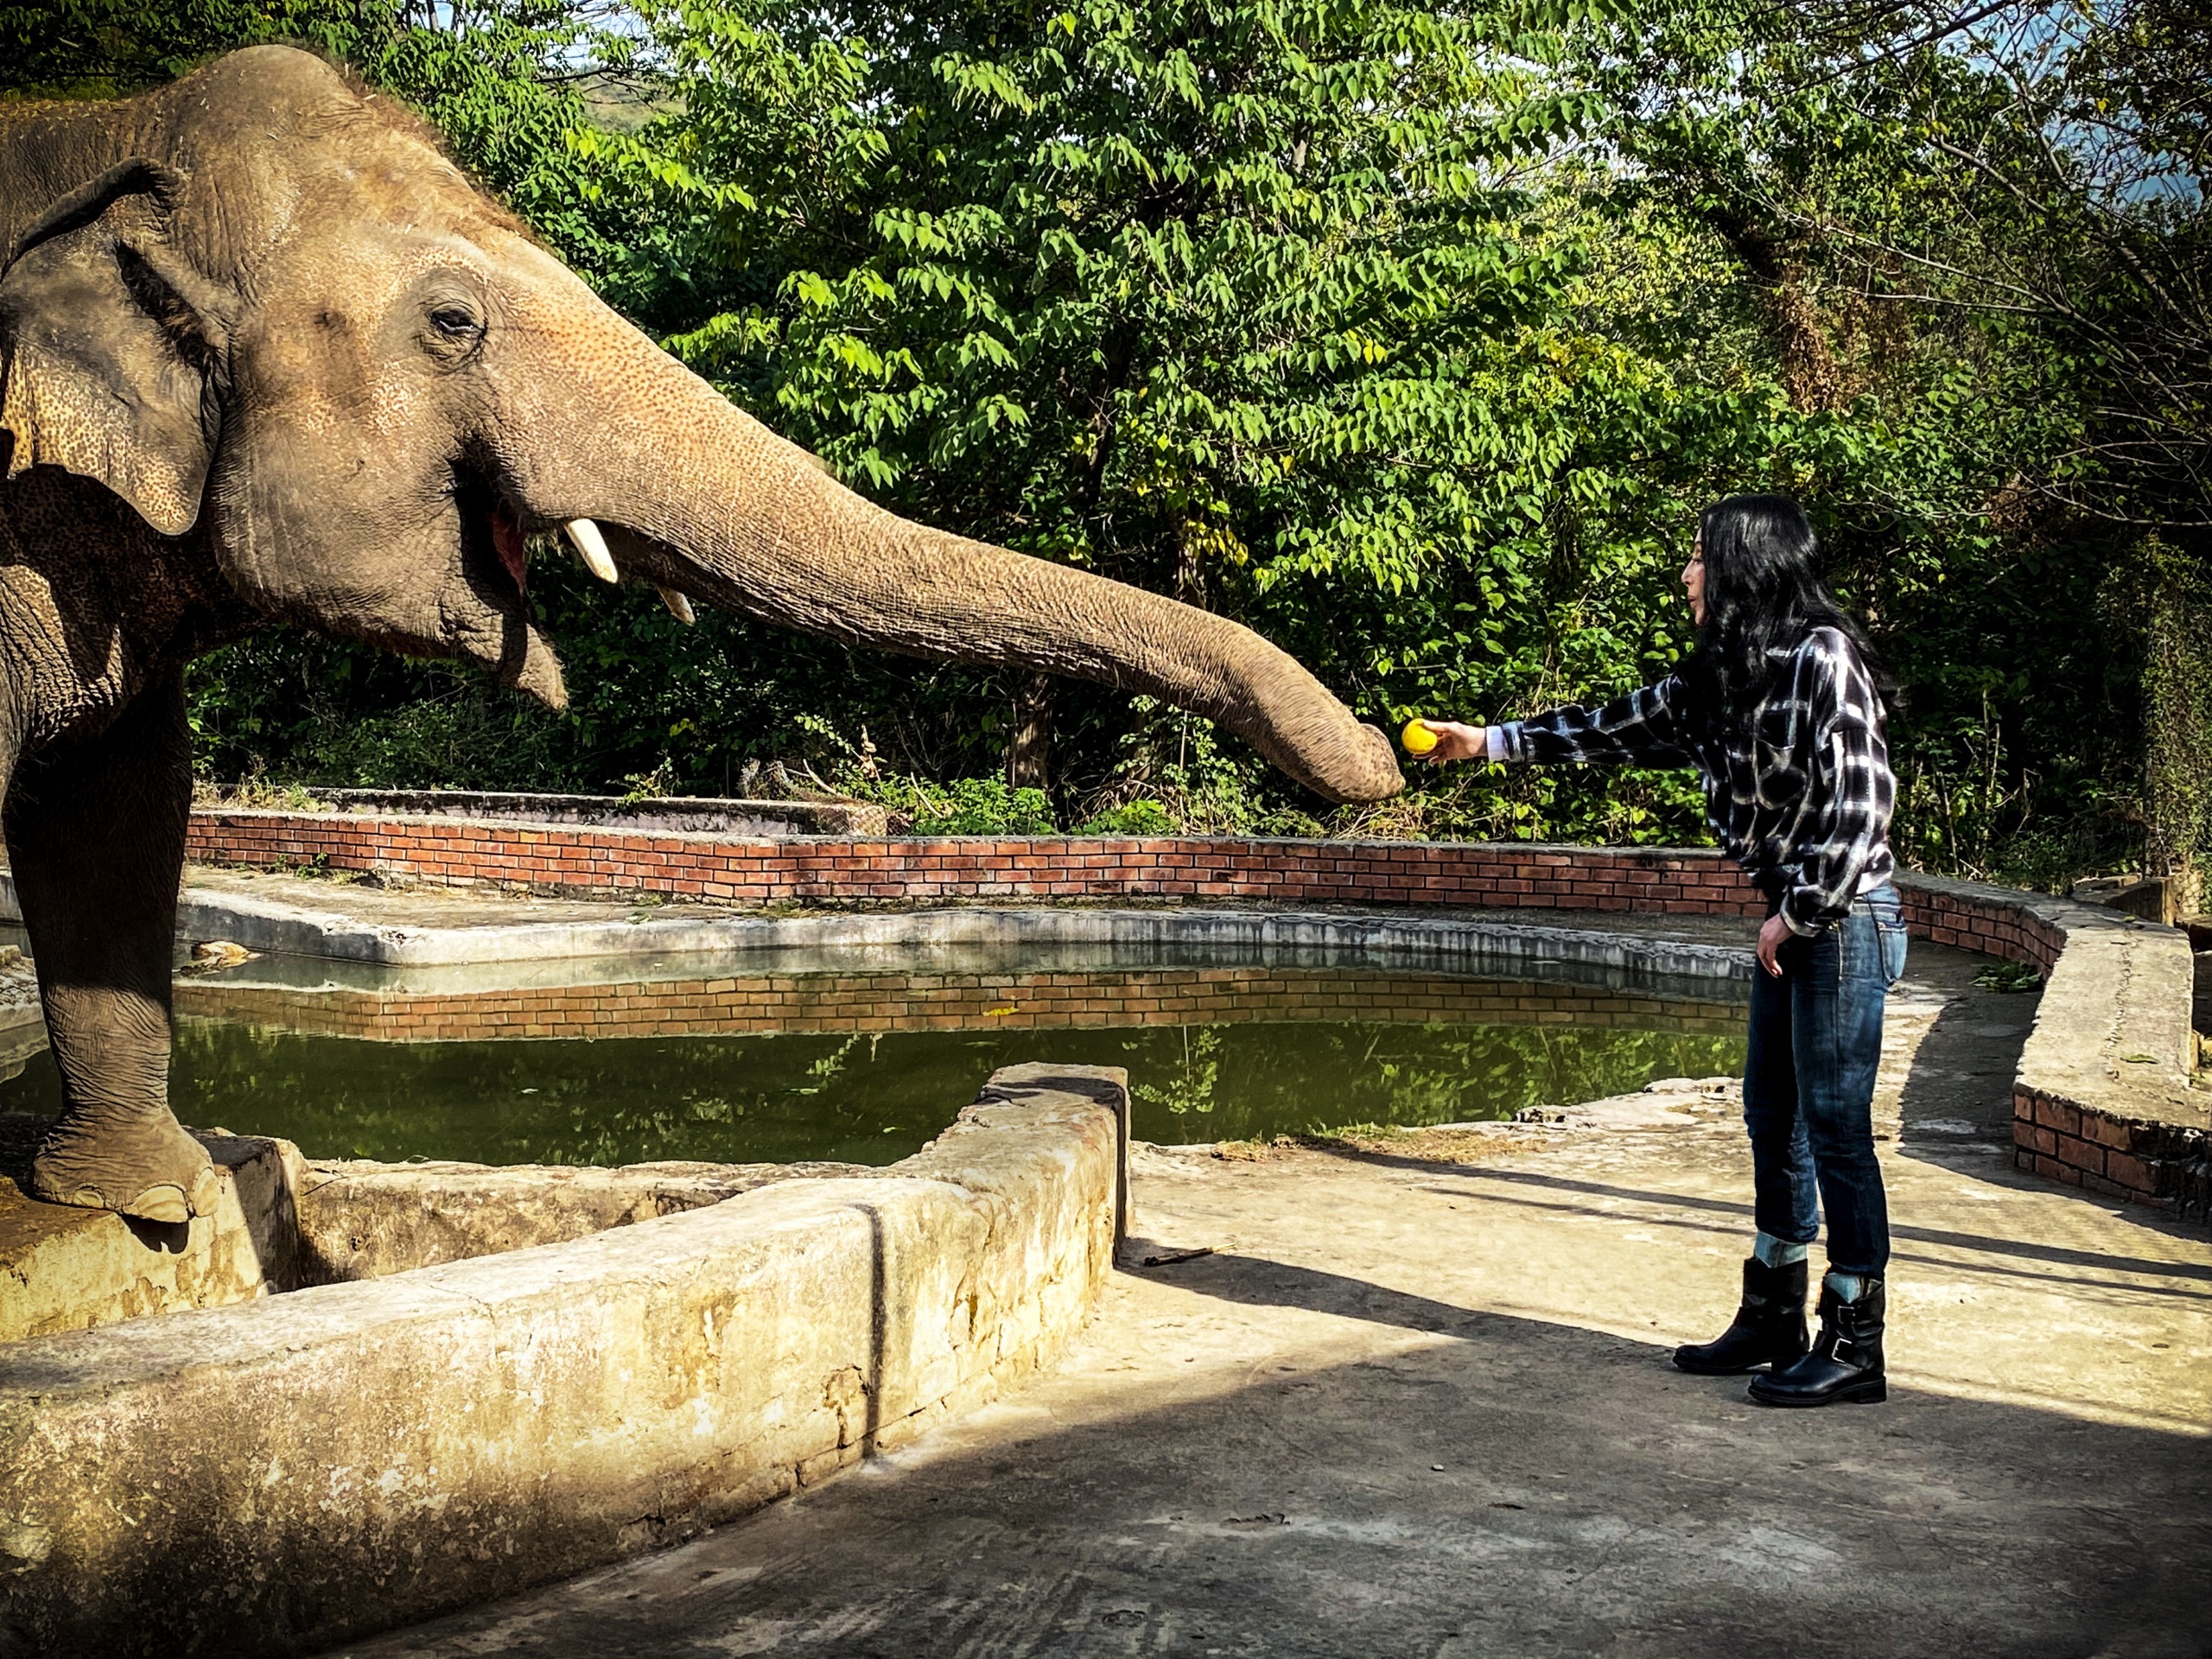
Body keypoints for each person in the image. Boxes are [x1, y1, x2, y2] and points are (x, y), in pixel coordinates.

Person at [1421, 493, 1906, 1408]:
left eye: (1697, 557)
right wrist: (1484, 742)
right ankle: (1774, 1312)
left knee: (1836, 1128)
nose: (1685, 575)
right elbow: (1614, 727)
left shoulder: (1821, 660)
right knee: (1774, 1119)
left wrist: (1795, 914)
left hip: (1841, 920)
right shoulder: (1723, 672)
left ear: (1741, 568)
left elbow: (1859, 808)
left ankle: (1854, 1338)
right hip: (1797, 920)